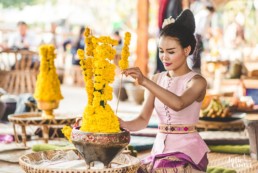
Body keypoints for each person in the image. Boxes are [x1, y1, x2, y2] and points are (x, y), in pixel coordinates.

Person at [119, 9, 209, 172]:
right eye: (161, 51)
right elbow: (143, 119)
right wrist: (121, 124)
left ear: (186, 50)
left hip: (188, 153)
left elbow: (179, 103)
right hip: (159, 152)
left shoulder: (197, 81)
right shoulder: (157, 79)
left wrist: (145, 81)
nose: (164, 57)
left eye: (171, 52)